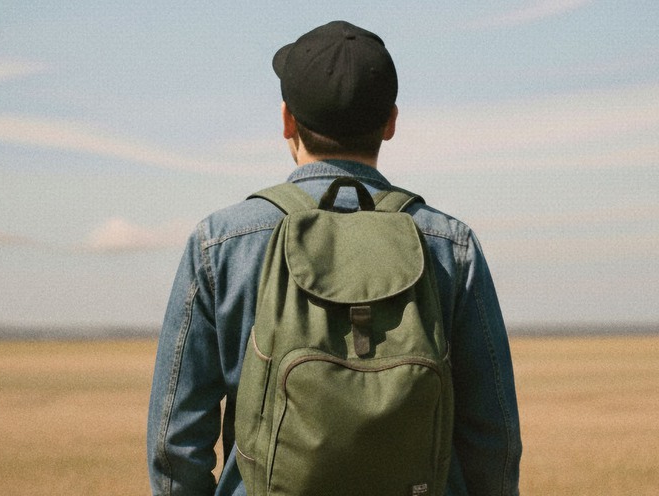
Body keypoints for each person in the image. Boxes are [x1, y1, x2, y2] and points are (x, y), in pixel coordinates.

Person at [146, 20, 521, 496]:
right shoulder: (451, 245)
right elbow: (493, 438)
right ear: (391, 123)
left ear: (287, 121)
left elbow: (175, 444)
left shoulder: (220, 242)